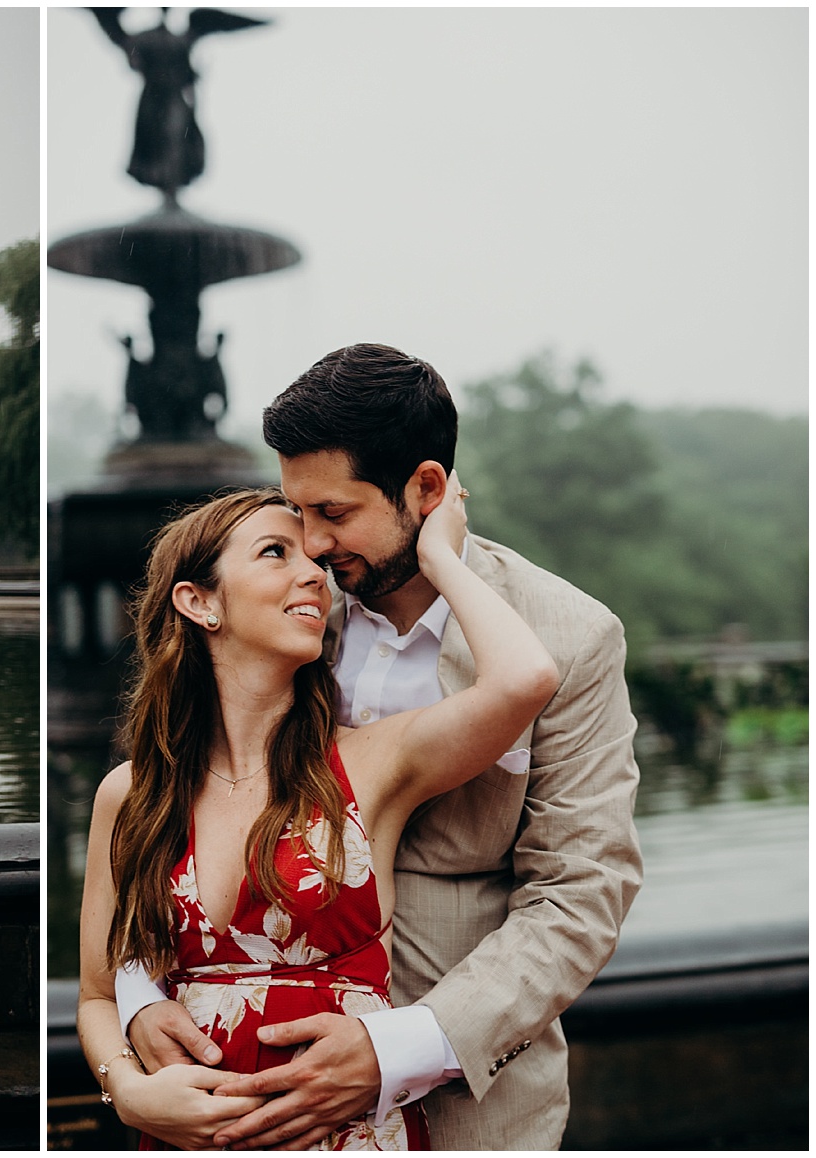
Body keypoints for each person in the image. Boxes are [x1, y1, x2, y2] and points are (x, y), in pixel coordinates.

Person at [116, 346, 644, 1149]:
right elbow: (176, 822)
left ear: (427, 490)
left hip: (468, 1099)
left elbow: (579, 896)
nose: (314, 546)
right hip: (254, 1095)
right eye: (297, 515)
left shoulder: (569, 638)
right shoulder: (287, 616)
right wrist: (140, 1000)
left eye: (334, 513)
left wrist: (393, 1048)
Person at [78, 478, 559, 1150]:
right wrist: (127, 1091)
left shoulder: (370, 765)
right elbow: (100, 995)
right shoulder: (130, 797)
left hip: (347, 1137)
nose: (314, 575)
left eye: (314, 561)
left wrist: (443, 557)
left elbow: (525, 679)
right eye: (277, 553)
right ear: (199, 601)